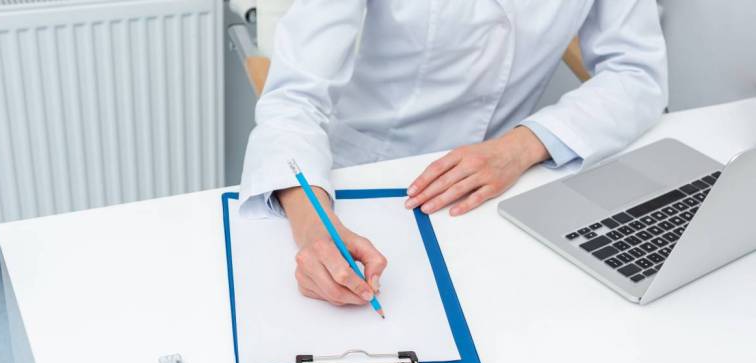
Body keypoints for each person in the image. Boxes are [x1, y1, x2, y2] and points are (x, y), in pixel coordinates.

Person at [239, 0, 668, 307]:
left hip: (503, 190)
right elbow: (294, 100)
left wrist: (521, 146)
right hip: (364, 181)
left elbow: (637, 73)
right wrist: (314, 228)